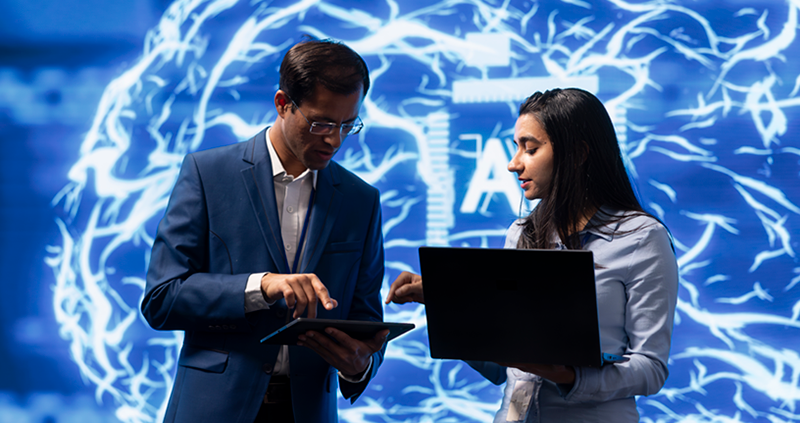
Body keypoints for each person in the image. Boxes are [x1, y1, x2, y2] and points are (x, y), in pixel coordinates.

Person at [386, 88, 679, 422]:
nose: (513, 164)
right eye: (516, 148)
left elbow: (651, 368)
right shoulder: (522, 233)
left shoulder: (643, 238)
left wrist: (568, 375)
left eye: (530, 148)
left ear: (579, 153)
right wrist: (450, 304)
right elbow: (502, 369)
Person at [142, 38, 389, 423]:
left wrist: (359, 366)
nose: (335, 140)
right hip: (212, 411)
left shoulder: (361, 200)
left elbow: (366, 321)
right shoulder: (208, 174)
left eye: (347, 125)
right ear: (282, 103)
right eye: (321, 123)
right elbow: (161, 298)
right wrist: (260, 287)